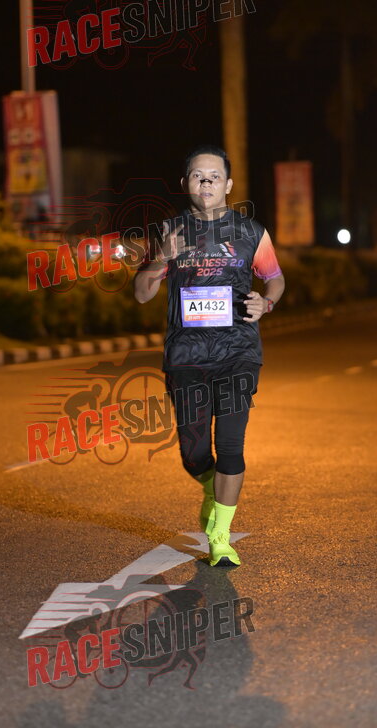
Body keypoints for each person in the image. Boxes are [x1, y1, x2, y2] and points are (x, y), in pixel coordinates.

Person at [134, 145, 285, 566]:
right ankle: (209, 486)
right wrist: (162, 258)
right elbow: (142, 294)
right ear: (186, 183)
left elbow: (275, 279)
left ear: (228, 185)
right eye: (198, 175)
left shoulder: (251, 232)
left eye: (214, 176)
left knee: (231, 444)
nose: (206, 182)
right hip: (187, 355)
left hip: (238, 351)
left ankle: (220, 536)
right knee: (194, 453)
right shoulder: (169, 232)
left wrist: (266, 303)